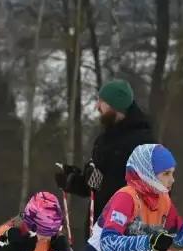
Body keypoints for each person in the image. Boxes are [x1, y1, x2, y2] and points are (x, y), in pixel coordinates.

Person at [54, 79, 157, 224]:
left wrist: (101, 183)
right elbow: (97, 185)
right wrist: (74, 181)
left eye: (101, 101)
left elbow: (148, 190)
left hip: (127, 233)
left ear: (115, 105)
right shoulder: (105, 139)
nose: (97, 106)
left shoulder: (142, 142)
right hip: (99, 230)